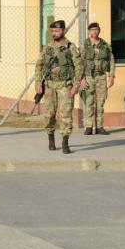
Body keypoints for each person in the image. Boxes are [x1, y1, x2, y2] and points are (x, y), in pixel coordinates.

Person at [34, 20, 86, 154]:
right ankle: (51, 137)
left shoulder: (71, 47)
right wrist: (38, 82)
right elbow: (39, 65)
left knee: (66, 114)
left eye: (56, 31)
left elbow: (79, 67)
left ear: (63, 31)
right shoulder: (47, 47)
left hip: (65, 86)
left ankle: (65, 142)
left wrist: (76, 85)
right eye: (52, 31)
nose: (54, 33)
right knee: (49, 114)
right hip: (50, 85)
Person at [81, 22, 115, 135]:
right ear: (89, 31)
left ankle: (100, 126)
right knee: (89, 102)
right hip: (89, 77)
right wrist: (82, 79)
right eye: (92, 30)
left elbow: (111, 60)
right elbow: (79, 63)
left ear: (99, 31)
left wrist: (111, 76)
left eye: (96, 29)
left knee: (100, 102)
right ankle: (89, 126)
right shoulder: (84, 45)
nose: (94, 32)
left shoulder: (105, 45)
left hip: (101, 76)